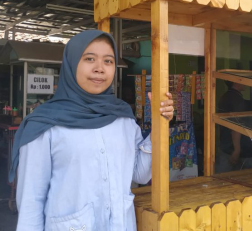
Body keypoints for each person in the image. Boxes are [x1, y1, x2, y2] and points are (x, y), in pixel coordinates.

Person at [9, 30, 174, 231]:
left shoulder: (122, 118)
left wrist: (160, 124)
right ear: (71, 64)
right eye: (89, 59)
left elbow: (140, 174)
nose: (100, 69)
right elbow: (31, 201)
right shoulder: (45, 124)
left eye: (108, 61)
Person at [216, 81, 252, 173]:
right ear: (236, 83)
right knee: (251, 175)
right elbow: (237, 126)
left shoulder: (224, 97)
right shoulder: (237, 100)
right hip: (238, 147)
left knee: (222, 178)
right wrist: (237, 149)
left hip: (225, 144)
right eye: (242, 80)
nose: (245, 83)